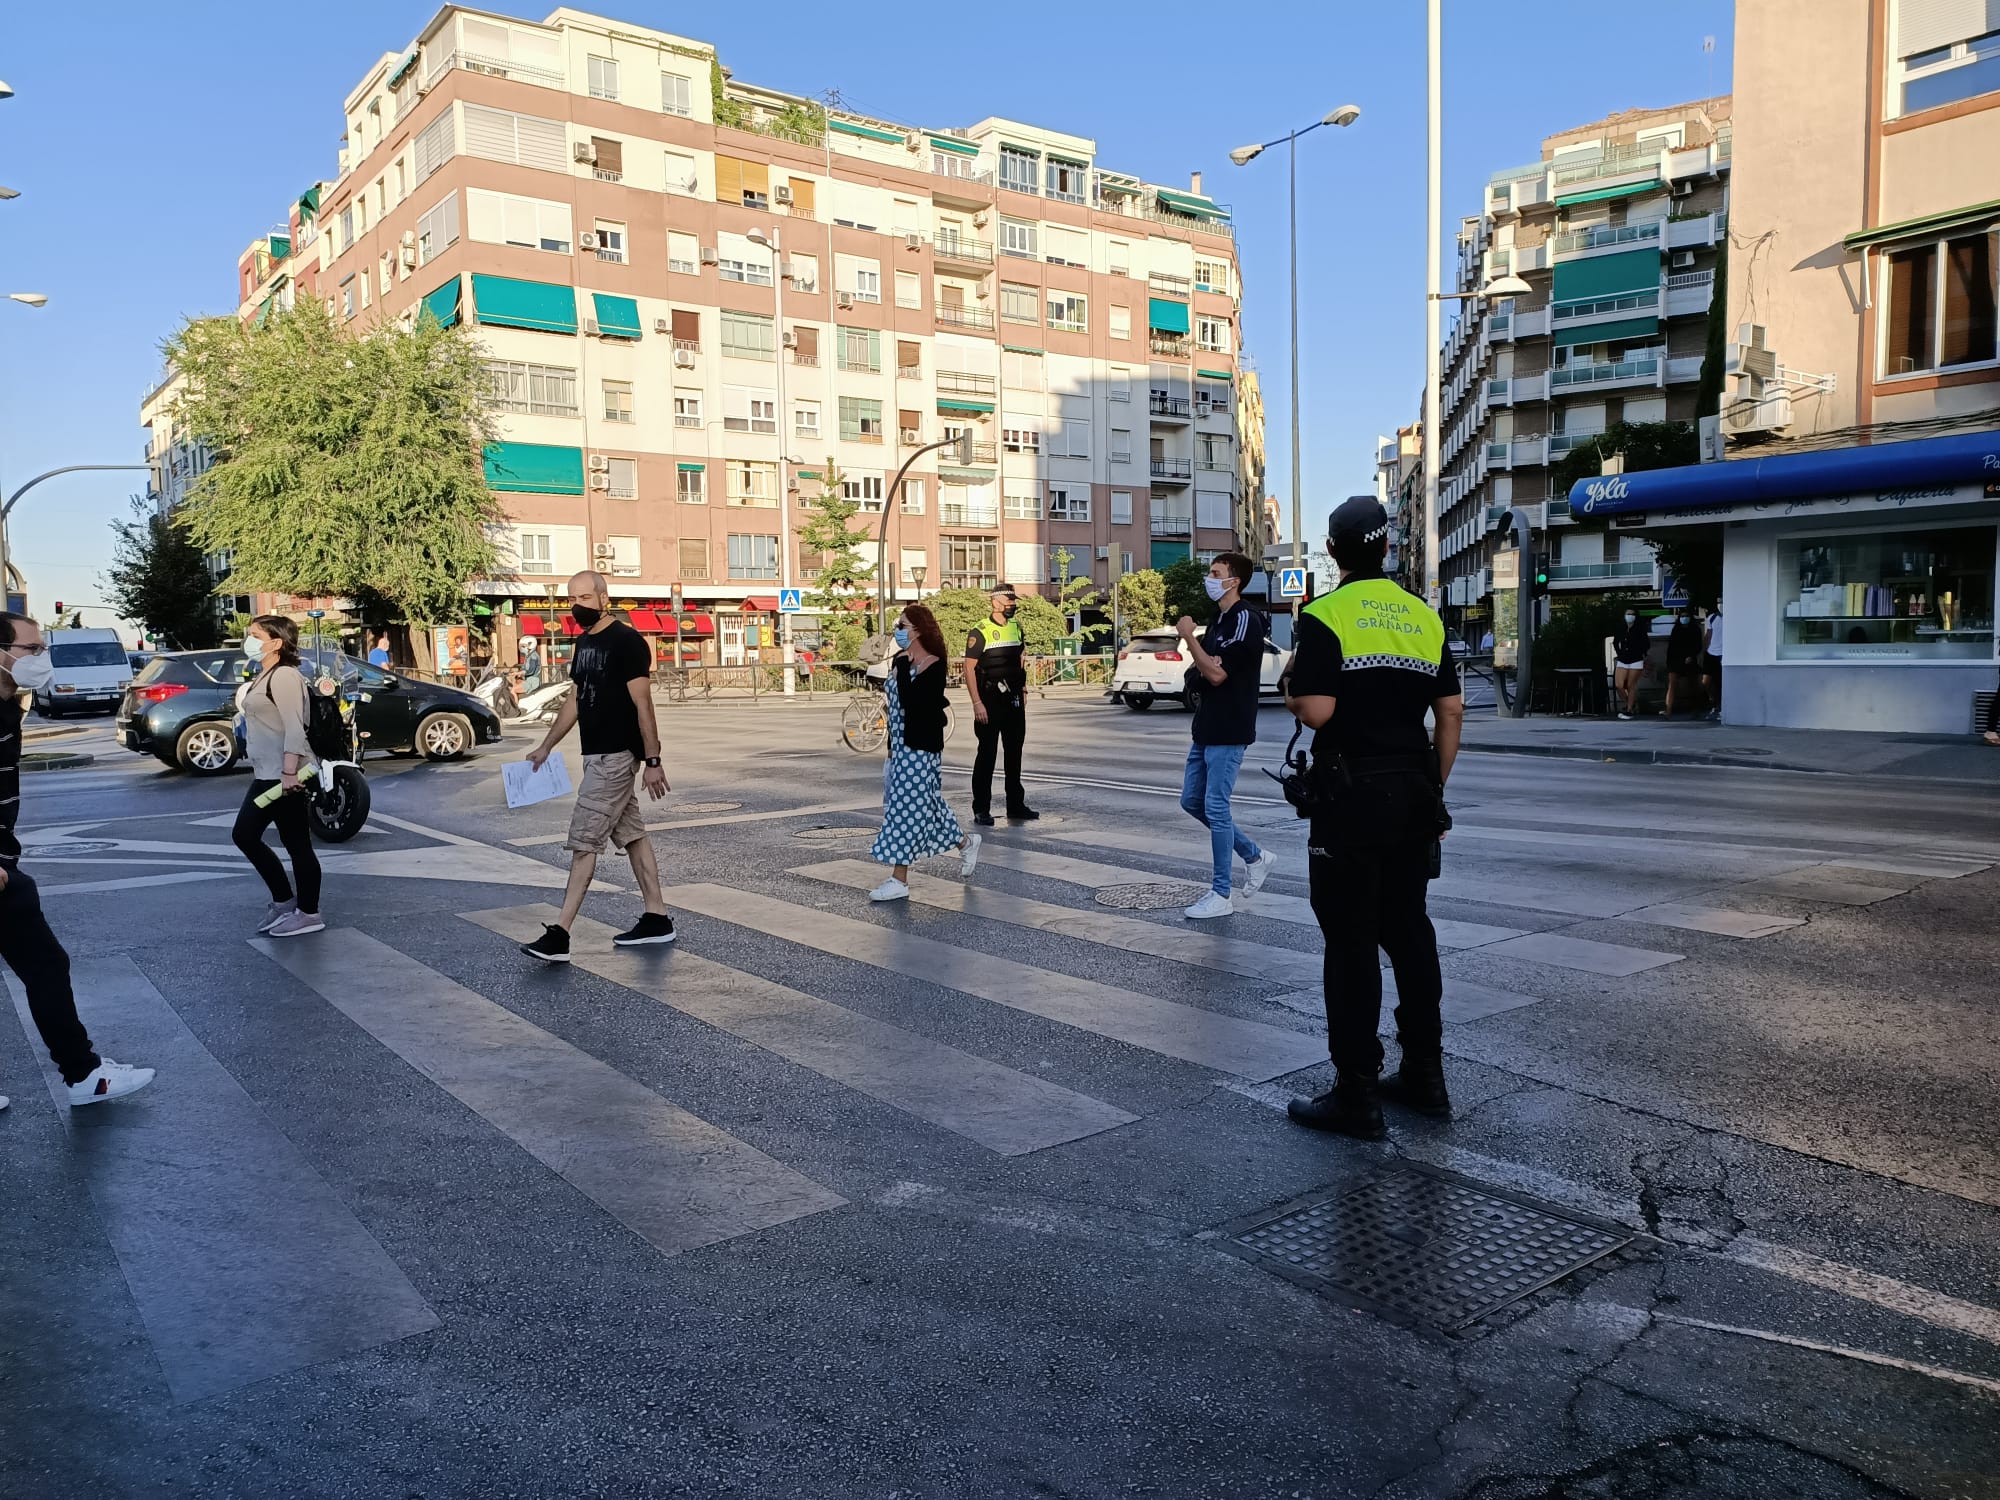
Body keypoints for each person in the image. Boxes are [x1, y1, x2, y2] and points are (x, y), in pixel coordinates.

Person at [1281, 497, 1464, 1141]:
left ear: (1333, 551)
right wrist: (1430, 790)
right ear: (1387, 548)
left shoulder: (1325, 615)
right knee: (1410, 931)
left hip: (1350, 797)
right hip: (1414, 792)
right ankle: (1424, 1077)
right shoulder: (1423, 616)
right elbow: (1450, 713)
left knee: (1351, 942)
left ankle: (1356, 1094)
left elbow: (1317, 710)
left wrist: (1292, 688)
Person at [0, 612, 156, 1112]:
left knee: (45, 966)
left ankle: (84, 1072)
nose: (42, 659)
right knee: (46, 965)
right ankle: (85, 1076)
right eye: (31, 649)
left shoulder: (7, 705)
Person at [519, 571, 674, 962]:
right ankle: (657, 918)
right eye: (573, 598)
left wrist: (653, 760)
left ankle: (560, 934)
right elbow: (575, 698)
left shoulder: (627, 642)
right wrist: (546, 746)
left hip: (617, 756)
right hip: (595, 756)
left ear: (605, 598)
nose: (578, 605)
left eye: (586, 597)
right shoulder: (584, 642)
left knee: (584, 841)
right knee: (633, 835)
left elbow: (644, 705)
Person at [1176, 552, 1278, 920]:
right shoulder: (1218, 619)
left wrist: (1190, 638)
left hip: (1230, 726)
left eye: (1216, 573)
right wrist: (1205, 661)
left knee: (1216, 806)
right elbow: (1201, 670)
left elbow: (1217, 675)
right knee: (1192, 801)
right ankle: (1254, 854)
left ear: (1234, 581)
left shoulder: (1245, 619)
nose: (1210, 577)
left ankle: (1221, 893)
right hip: (1206, 725)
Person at [867, 604, 980, 901]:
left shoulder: (933, 664)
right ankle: (966, 843)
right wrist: (891, 749)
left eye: (902, 626)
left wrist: (903, 667)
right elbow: (892, 708)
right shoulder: (900, 661)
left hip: (921, 748)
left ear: (918, 630)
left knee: (904, 810)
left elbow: (911, 703)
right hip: (900, 747)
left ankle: (898, 879)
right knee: (926, 803)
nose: (898, 631)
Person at [232, 616, 326, 939]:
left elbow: (294, 727)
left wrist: (289, 773)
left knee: (249, 835)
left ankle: (307, 912)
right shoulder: (265, 674)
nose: (250, 640)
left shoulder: (285, 676)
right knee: (290, 840)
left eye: (256, 635)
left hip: (284, 775)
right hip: (268, 773)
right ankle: (288, 904)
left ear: (276, 643)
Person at [964, 583, 1037, 827]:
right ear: (995, 602)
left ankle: (1015, 806)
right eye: (1008, 602)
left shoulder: (1016, 627)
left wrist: (1024, 687)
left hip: (1013, 699)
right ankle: (981, 809)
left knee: (1014, 754)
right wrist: (976, 703)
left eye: (1014, 602)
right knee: (987, 755)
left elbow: (1020, 658)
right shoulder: (980, 630)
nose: (1012, 606)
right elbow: (968, 667)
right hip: (989, 700)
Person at [1662, 609, 1702, 718]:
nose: (1684, 618)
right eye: (1682, 616)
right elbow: (1671, 647)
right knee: (1672, 684)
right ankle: (1668, 709)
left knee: (1692, 684)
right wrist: (1669, 662)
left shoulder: (1695, 630)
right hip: (1675, 660)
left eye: (1687, 616)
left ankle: (1695, 708)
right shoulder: (1676, 629)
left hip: (1690, 660)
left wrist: (1691, 656)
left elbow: (1698, 645)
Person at [1612, 608, 1650, 720]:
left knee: (1631, 685)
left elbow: (1646, 643)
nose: (1630, 616)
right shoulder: (1621, 628)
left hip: (1636, 659)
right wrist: (1619, 652)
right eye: (1628, 614)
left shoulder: (1640, 629)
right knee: (1619, 685)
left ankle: (1629, 709)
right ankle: (1630, 703)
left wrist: (1641, 652)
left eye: (1632, 614)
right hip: (1623, 658)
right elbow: (1615, 642)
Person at [1701, 605, 1725, 722]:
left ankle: (1719, 707)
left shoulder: (1730, 617)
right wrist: (1704, 650)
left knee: (1720, 683)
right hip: (1711, 653)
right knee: (1706, 682)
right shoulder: (1712, 617)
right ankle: (1713, 702)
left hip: (1723, 654)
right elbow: (1708, 634)